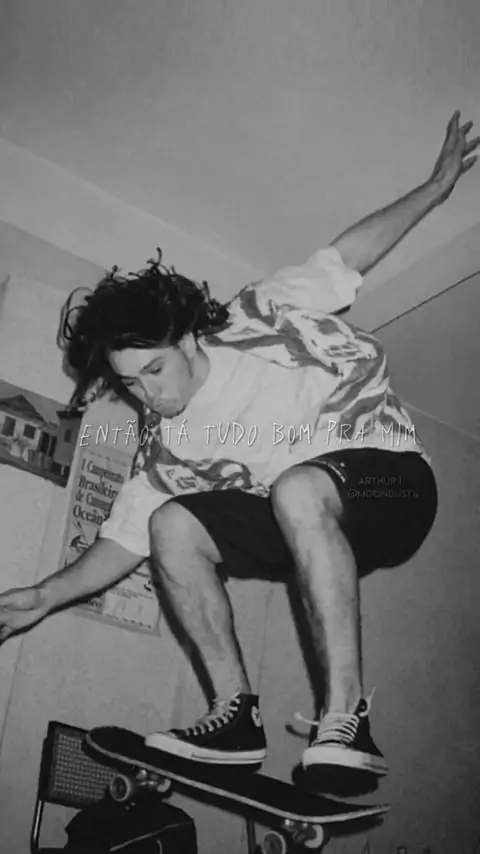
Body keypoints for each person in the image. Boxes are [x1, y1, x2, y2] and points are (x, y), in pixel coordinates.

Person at [0, 112, 477, 780]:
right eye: (131, 384)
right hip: (308, 521)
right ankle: (234, 718)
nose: (148, 396)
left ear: (188, 339)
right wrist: (48, 595)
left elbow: (349, 255)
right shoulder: (166, 449)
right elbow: (123, 540)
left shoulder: (261, 316)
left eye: (155, 371)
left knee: (298, 488)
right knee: (170, 523)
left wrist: (435, 187)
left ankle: (347, 719)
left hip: (392, 486)